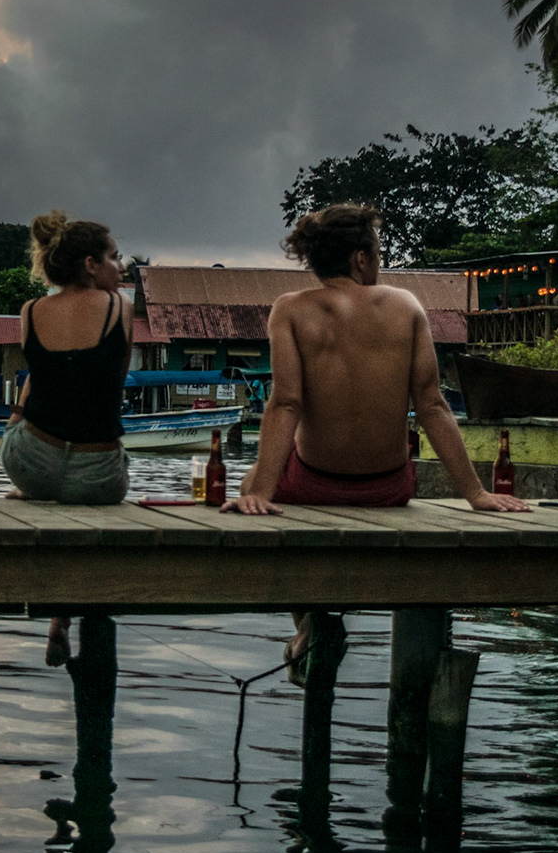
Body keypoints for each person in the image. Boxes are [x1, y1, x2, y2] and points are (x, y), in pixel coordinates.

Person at [225, 204, 530, 677]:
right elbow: (432, 406)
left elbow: (285, 404)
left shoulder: (290, 309)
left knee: (247, 485)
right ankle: (313, 622)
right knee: (264, 485)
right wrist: (476, 493)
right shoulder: (405, 305)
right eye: (378, 254)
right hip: (388, 489)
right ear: (361, 259)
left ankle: (306, 620)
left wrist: (260, 491)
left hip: (311, 484)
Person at [1, 210, 133, 665]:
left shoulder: (31, 311)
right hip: (98, 478)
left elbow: (44, 376)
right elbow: (109, 380)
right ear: (91, 265)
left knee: (34, 449)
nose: (123, 267)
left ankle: (29, 489)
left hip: (32, 464)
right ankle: (64, 617)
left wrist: (17, 415)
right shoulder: (120, 309)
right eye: (114, 258)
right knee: (88, 497)